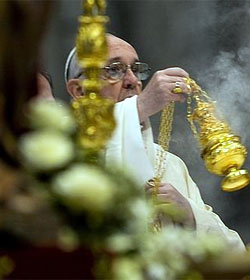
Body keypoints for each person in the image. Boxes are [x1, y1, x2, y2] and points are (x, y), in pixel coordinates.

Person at [65, 34, 245, 251]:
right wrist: (140, 106)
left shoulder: (170, 164)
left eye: (136, 69)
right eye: (114, 70)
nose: (133, 81)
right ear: (80, 91)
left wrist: (190, 216)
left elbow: (235, 251)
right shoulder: (63, 153)